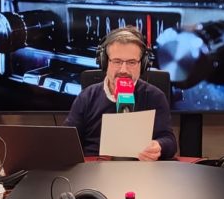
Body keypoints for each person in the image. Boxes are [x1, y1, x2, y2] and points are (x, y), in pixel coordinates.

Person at [64, 26, 178, 160]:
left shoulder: (155, 96)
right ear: (105, 62)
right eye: (117, 61)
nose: (123, 70)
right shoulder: (87, 96)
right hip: (94, 171)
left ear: (143, 64)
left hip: (139, 172)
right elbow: (67, 141)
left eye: (131, 62)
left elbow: (169, 141)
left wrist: (159, 146)